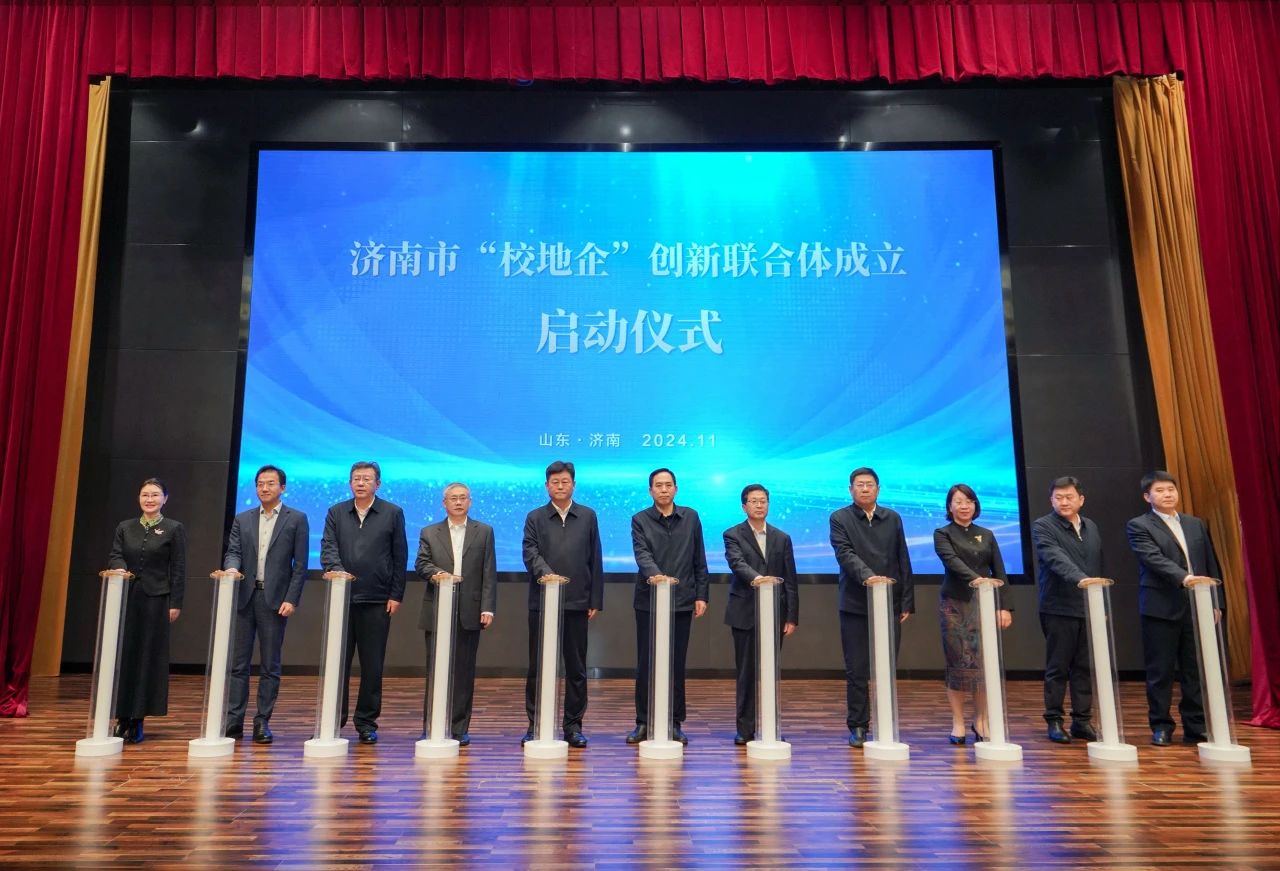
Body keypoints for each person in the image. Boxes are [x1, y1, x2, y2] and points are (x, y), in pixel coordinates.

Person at [1126, 470, 1225, 746]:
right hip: (1160, 608)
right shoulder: (1139, 525)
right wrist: (1185, 578)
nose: (1167, 494)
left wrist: (1216, 601)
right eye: (1159, 491)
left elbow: (1210, 563)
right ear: (1147, 497)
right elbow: (1152, 559)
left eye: (1170, 489)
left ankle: (1196, 726)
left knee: (1195, 670)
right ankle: (1161, 725)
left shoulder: (1195, 524)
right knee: (1161, 671)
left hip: (1198, 606)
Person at [320, 461, 407, 745]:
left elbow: (399, 556)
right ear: (350, 482)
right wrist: (337, 570)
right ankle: (333, 721)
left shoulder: (392, 513)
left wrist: (396, 594)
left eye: (366, 479)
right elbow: (328, 547)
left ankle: (366, 723)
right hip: (341, 598)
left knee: (372, 666)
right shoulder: (336, 512)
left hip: (377, 599)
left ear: (377, 484)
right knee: (337, 663)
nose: (360, 483)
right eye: (356, 478)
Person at [222, 464, 309, 744]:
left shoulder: (297, 519)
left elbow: (300, 565)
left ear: (282, 487)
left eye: (270, 483)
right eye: (260, 483)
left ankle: (262, 721)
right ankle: (234, 721)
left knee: (270, 665)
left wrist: (291, 598)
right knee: (238, 664)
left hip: (274, 601)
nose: (264, 488)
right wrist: (232, 568)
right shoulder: (243, 518)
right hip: (245, 597)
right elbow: (233, 551)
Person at [829, 467, 915, 747]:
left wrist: (906, 600)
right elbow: (844, 554)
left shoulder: (893, 518)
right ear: (850, 489)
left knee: (887, 667)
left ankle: (886, 722)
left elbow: (902, 558)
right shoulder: (840, 518)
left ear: (878, 489)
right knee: (857, 668)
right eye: (859, 484)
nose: (865, 489)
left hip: (889, 602)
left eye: (869, 484)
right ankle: (858, 725)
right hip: (855, 603)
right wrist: (870, 577)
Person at [521, 460, 603, 748]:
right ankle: (536, 724)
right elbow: (530, 552)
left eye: (565, 481)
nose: (560, 486)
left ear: (573, 485)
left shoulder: (588, 516)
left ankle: (573, 726)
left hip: (578, 602)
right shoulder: (535, 517)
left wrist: (595, 598)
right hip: (542, 602)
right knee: (538, 667)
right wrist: (548, 575)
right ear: (547, 486)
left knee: (576, 669)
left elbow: (595, 558)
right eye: (554, 482)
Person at [628, 468, 709, 745]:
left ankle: (674, 722)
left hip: (682, 600)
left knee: (676, 663)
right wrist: (657, 576)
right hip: (649, 601)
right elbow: (642, 554)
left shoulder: (691, 517)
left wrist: (702, 594)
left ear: (676, 488)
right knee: (646, 662)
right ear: (650, 491)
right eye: (658, 485)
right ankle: (643, 721)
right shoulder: (640, 519)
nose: (663, 489)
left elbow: (699, 558)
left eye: (668, 485)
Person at [415, 482, 497, 747]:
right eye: (453, 498)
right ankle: (432, 727)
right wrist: (439, 574)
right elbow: (421, 563)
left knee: (463, 672)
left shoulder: (484, 531)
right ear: (444, 503)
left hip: (470, 610)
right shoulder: (429, 532)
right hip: (437, 607)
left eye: (463, 498)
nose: (458, 502)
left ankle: (459, 728)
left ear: (470, 502)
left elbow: (488, 572)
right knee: (435, 671)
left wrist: (487, 607)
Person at [109, 478, 187, 745]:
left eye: (155, 495)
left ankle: (138, 719)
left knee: (147, 658)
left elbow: (178, 569)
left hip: (157, 600)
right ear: (139, 498)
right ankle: (121, 717)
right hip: (127, 598)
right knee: (125, 656)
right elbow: (115, 555)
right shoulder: (125, 527)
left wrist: (176, 602)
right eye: (145, 495)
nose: (150, 499)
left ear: (165, 498)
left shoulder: (173, 528)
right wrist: (119, 568)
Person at [933, 483, 1012, 744]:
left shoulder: (986, 534)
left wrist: (1004, 606)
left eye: (968, 501)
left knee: (983, 665)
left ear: (975, 505)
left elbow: (999, 571)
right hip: (954, 606)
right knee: (958, 664)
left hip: (984, 604)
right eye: (958, 501)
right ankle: (957, 723)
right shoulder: (942, 533)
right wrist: (977, 579)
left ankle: (981, 720)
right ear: (950, 506)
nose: (964, 506)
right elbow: (952, 561)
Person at [723, 484, 799, 745]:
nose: (759, 505)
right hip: (744, 612)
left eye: (763, 500)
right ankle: (745, 729)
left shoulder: (782, 537)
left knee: (770, 672)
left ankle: (770, 726)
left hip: (775, 614)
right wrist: (758, 579)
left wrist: (791, 616)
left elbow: (790, 579)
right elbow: (737, 563)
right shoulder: (732, 534)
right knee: (746, 673)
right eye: (754, 501)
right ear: (744, 506)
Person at [1030, 475, 1102, 744]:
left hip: (1089, 606)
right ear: (1051, 500)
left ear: (1081, 499)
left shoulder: (1091, 526)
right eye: (1058, 497)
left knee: (1084, 667)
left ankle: (1082, 721)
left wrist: (1099, 600)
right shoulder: (1043, 525)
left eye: (1069, 497)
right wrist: (1080, 579)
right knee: (1058, 667)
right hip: (1058, 606)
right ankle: (1054, 720)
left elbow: (1097, 563)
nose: (1063, 502)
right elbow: (1054, 557)